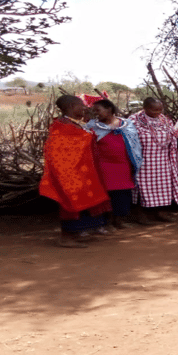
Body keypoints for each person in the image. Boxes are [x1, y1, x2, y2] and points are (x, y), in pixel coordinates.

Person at [40, 95, 111, 247]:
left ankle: (77, 232)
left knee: (82, 201)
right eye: (81, 105)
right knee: (70, 202)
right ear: (72, 106)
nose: (85, 108)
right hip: (69, 172)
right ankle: (66, 238)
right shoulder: (62, 126)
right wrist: (86, 138)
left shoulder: (73, 124)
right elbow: (57, 151)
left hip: (82, 171)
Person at [86, 99, 143, 230]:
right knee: (107, 194)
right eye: (94, 111)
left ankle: (119, 220)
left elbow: (134, 143)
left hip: (123, 165)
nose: (96, 114)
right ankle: (107, 221)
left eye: (98, 110)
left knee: (122, 194)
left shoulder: (126, 124)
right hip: (103, 166)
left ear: (109, 109)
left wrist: (135, 161)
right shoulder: (92, 125)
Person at [128, 97, 178, 222]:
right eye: (154, 110)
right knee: (142, 187)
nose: (158, 112)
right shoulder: (134, 120)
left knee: (163, 187)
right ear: (145, 108)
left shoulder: (165, 120)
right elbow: (130, 139)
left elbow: (173, 136)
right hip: (143, 161)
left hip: (163, 160)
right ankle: (140, 214)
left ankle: (160, 212)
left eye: (160, 109)